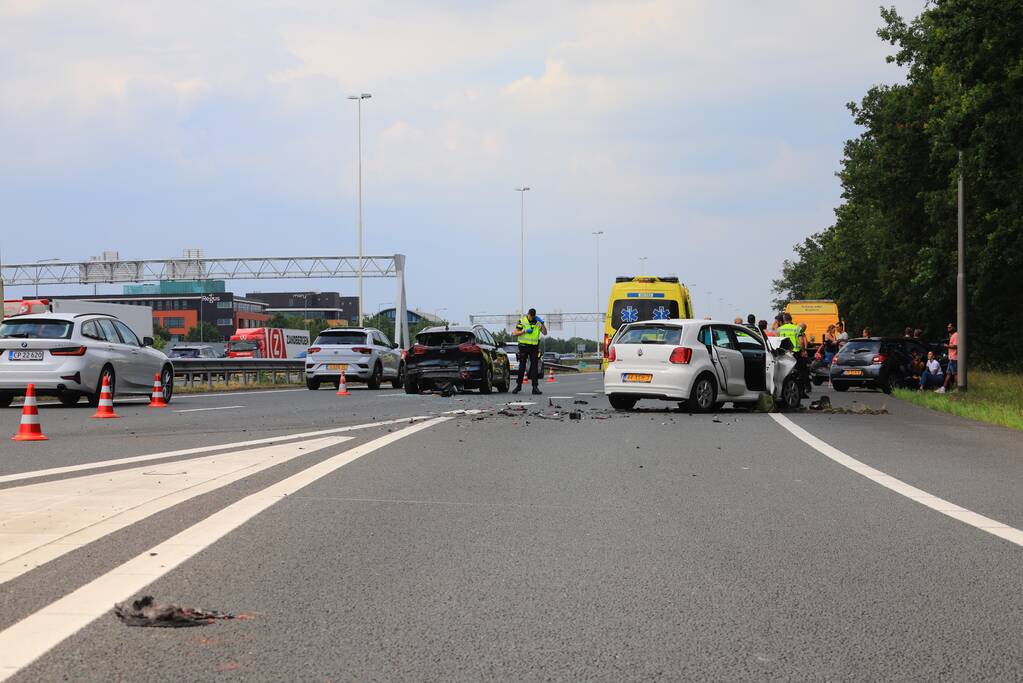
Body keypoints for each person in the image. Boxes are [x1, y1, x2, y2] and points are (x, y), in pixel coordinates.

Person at [512, 308, 548, 395]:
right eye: (530, 316)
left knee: (534, 367)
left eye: (533, 317)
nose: (531, 318)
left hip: (534, 347)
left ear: (535, 316)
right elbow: (515, 333)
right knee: (522, 366)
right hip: (523, 346)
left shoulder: (537, 322)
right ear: (528, 314)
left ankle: (535, 387)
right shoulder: (522, 321)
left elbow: (545, 333)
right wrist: (524, 331)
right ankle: (518, 386)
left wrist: (542, 324)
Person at [779, 313, 810, 396]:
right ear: (791, 319)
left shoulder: (780, 329)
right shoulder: (797, 328)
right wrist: (803, 351)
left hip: (784, 353)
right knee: (800, 372)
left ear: (784, 320)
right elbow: (801, 341)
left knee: (786, 372)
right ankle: (801, 392)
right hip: (796, 353)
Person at [938, 322, 958, 393]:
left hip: (954, 358)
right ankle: (943, 388)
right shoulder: (952, 335)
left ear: (953, 328)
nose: (948, 328)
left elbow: (956, 346)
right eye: (947, 327)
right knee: (948, 373)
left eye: (949, 327)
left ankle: (957, 389)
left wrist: (947, 346)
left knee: (955, 373)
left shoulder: (956, 335)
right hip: (951, 358)